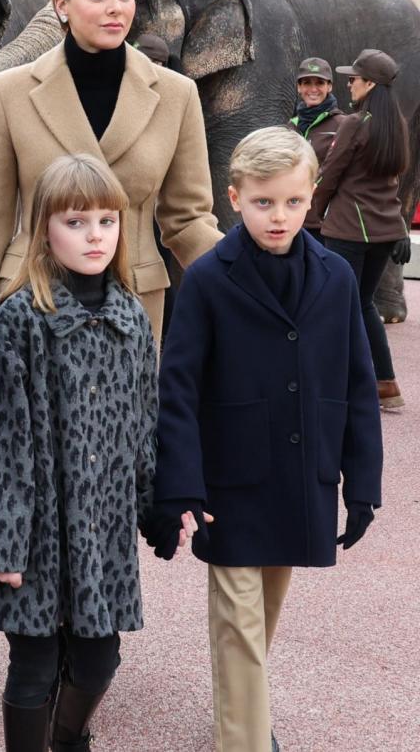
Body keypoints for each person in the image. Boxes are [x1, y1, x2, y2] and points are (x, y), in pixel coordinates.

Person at [0, 154, 199, 752]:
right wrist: (3, 542)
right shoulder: (19, 322)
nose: (95, 236)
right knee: (33, 664)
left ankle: (67, 738)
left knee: (99, 659)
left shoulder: (131, 318)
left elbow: (142, 425)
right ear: (44, 229)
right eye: (77, 221)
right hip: (35, 530)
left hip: (101, 530)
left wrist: (154, 506)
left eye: (107, 221)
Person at [148, 126, 383, 752]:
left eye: (292, 202)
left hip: (303, 474)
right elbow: (179, 389)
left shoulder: (336, 278)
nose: (278, 217)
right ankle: (245, 739)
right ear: (234, 198)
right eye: (262, 202)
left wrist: (363, 485)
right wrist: (181, 485)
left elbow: (358, 384)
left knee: (261, 616)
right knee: (239, 621)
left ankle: (240, 710)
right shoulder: (206, 279)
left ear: (312, 199)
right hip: (230, 479)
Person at [0, 0, 221, 342]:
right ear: (61, 5)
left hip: (133, 308)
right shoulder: (9, 92)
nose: (117, 7)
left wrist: (248, 271)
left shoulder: (177, 95)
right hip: (32, 303)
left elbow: (188, 219)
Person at [312, 48, 411, 409]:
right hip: (385, 233)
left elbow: (329, 176)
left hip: (349, 231)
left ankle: (337, 386)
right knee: (363, 304)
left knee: (337, 306)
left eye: (353, 78)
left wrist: (310, 212)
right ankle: (386, 383)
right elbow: (393, 182)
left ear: (369, 83)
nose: (349, 83)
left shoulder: (354, 123)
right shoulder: (395, 124)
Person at [288, 56, 348, 241]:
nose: (313, 89)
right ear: (299, 87)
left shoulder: (343, 125)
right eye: (306, 83)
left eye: (319, 83)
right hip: (292, 221)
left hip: (326, 226)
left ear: (329, 86)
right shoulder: (290, 127)